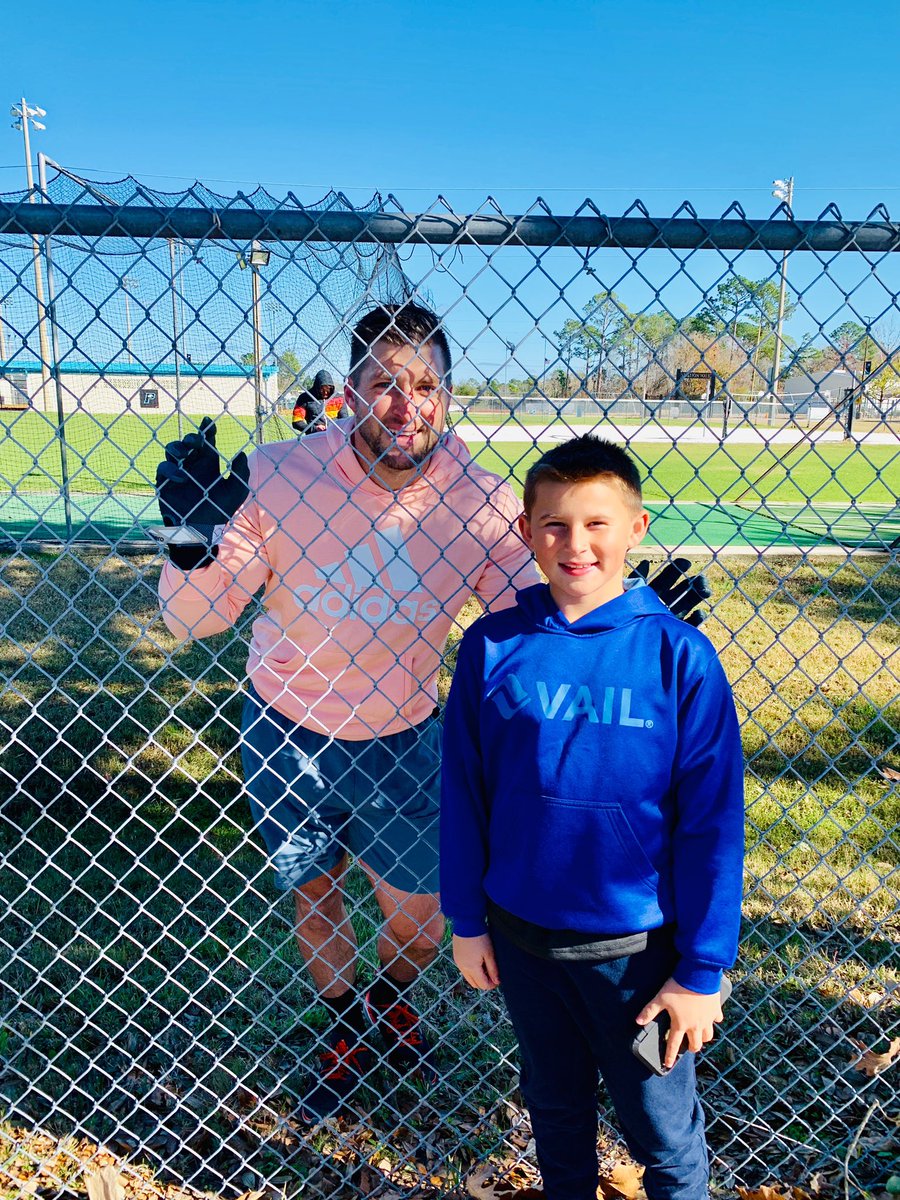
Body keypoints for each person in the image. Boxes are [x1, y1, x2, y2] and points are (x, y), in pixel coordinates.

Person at [155, 303, 708, 1125]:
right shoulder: (275, 473)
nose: (406, 404)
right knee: (316, 896)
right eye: (384, 383)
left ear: (447, 395)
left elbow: (537, 611)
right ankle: (346, 1026)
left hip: (405, 730)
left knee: (417, 920)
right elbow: (192, 619)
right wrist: (193, 539)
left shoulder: (480, 500)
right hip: (284, 725)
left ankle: (392, 997)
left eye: (425, 385)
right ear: (349, 390)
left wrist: (626, 619)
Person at [440, 435, 744, 1200]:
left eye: (598, 523)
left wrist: (700, 969)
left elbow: (713, 823)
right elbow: (465, 792)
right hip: (524, 943)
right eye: (555, 525)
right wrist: (467, 920)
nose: (576, 544)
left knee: (662, 1131)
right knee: (555, 1106)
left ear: (636, 529)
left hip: (635, 960)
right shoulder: (492, 646)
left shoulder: (679, 657)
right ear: (525, 531)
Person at [291, 368, 347, 434]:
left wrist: (334, 428)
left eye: (328, 390)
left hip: (334, 436)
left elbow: (345, 420)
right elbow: (296, 421)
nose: (325, 393)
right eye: (322, 390)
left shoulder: (338, 398)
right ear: (317, 387)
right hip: (314, 437)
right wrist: (314, 429)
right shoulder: (305, 398)